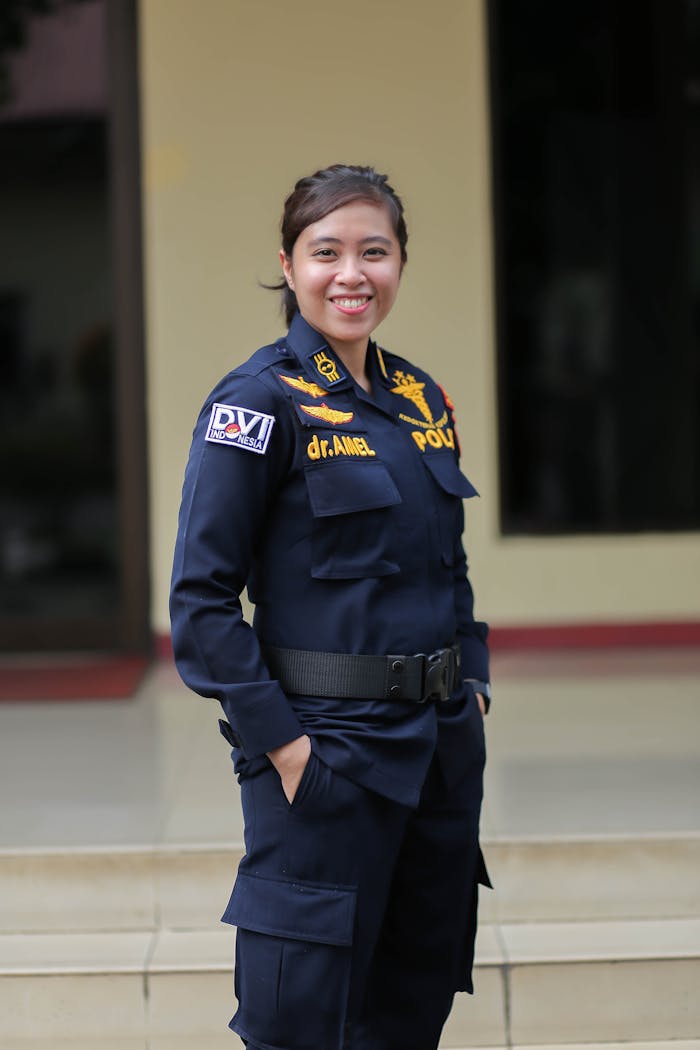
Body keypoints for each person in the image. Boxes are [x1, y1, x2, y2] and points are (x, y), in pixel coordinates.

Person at [170, 163, 491, 1050]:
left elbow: (448, 568)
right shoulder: (256, 402)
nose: (353, 273)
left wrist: (474, 687)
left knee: (409, 1003)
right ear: (290, 263)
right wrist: (285, 746)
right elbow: (200, 603)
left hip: (435, 752)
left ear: (398, 264)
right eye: (328, 251)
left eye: (374, 251)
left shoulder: (423, 399)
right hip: (327, 755)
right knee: (303, 1021)